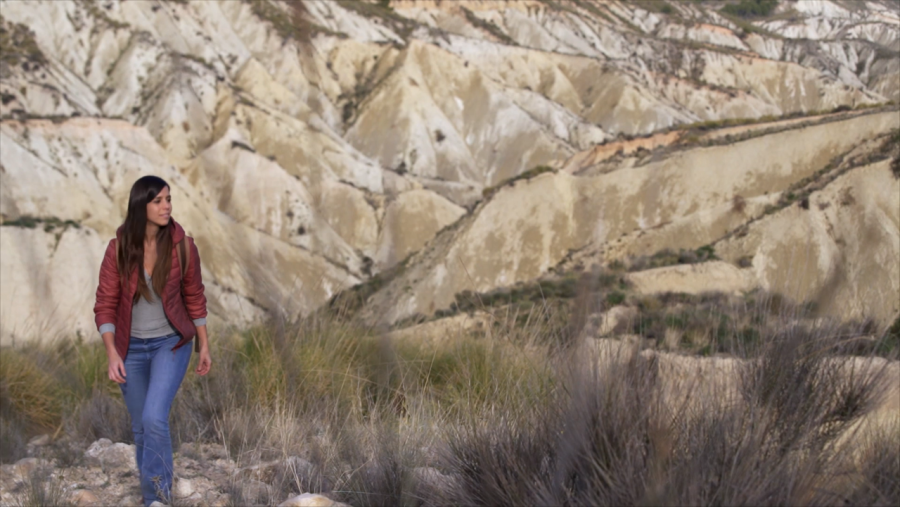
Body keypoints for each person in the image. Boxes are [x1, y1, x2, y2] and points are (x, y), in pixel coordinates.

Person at [93, 175, 212, 507]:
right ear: (140, 205)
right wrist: (112, 352)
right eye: (158, 200)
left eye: (169, 199)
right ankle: (155, 494)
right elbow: (104, 303)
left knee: (154, 418)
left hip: (170, 345)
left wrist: (204, 344)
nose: (167, 206)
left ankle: (156, 498)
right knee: (142, 428)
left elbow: (194, 297)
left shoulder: (183, 247)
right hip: (129, 349)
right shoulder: (118, 249)